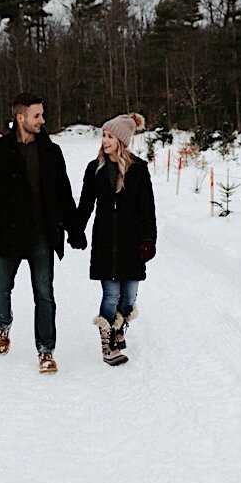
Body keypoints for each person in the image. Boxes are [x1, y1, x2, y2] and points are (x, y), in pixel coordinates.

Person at [0, 93, 78, 374]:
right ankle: (3, 324)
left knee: (44, 294)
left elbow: (63, 194)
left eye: (42, 115)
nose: (42, 120)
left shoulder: (51, 152)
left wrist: (74, 229)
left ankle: (46, 350)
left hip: (41, 236)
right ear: (20, 117)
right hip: (5, 237)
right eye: (37, 116)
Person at [69, 113, 157, 366]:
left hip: (132, 241)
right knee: (110, 294)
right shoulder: (95, 169)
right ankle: (107, 341)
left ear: (121, 140)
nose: (105, 141)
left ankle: (120, 329)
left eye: (110, 136)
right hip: (105, 240)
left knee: (129, 297)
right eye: (103, 136)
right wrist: (77, 230)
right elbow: (85, 204)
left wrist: (148, 240)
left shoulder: (138, 169)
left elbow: (147, 209)